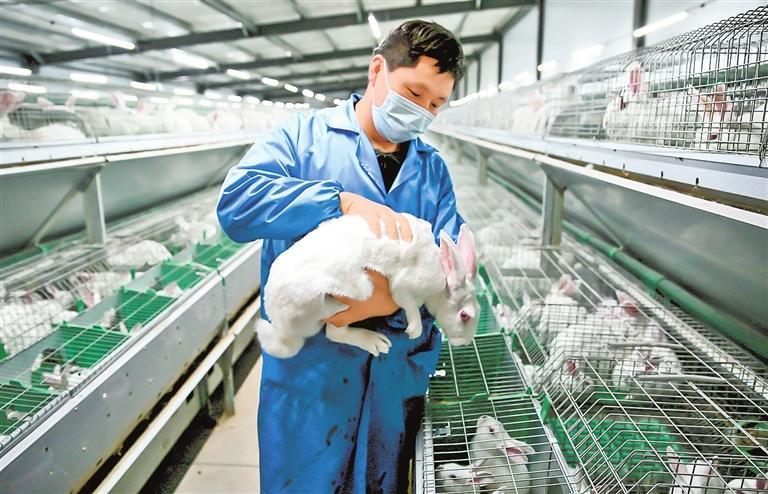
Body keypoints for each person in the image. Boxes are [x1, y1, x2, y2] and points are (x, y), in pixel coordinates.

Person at [217, 20, 466, 494]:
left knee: (379, 481)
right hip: (313, 375)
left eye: (435, 104)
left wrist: (387, 302)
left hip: (393, 375)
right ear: (377, 70)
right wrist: (336, 201)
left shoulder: (432, 171)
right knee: (304, 482)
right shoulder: (303, 138)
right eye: (413, 93)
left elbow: (453, 269)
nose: (422, 111)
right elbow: (236, 205)